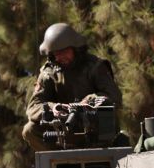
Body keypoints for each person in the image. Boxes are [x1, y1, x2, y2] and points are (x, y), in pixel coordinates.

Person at [23, 23, 122, 151]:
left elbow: (115, 97)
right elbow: (33, 106)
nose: (60, 57)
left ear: (75, 48)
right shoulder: (49, 73)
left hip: (93, 127)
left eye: (64, 51)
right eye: (56, 53)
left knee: (107, 118)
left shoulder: (95, 66)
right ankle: (61, 163)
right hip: (62, 131)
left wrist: (89, 102)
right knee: (29, 130)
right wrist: (54, 108)